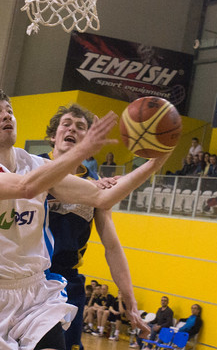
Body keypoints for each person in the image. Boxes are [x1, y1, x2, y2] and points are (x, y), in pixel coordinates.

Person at [0, 90, 169, 350]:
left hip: (38, 291)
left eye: (9, 110)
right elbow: (26, 188)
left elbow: (102, 197)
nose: (6, 114)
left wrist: (158, 159)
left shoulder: (34, 165)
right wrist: (83, 150)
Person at [41, 104, 146, 349]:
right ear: (52, 135)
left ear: (89, 139)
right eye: (66, 124)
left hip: (67, 282)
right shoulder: (33, 167)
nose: (72, 129)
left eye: (81, 127)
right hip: (28, 276)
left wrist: (129, 299)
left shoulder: (97, 187)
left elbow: (112, 246)